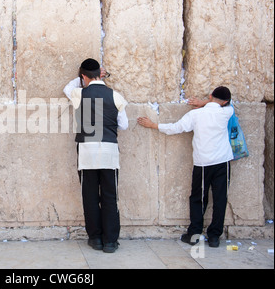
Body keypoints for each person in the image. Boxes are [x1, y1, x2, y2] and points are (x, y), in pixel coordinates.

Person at [137, 86, 233, 248]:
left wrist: (153, 125)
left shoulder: (195, 114)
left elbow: (176, 128)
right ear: (225, 102)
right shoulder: (226, 112)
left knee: (198, 199)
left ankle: (194, 234)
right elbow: (224, 105)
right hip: (223, 161)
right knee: (220, 198)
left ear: (210, 96)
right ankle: (214, 237)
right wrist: (205, 102)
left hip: (203, 163)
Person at [63, 58, 128, 253]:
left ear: (83, 76)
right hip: (109, 151)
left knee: (90, 196)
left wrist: (82, 77)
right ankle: (110, 241)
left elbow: (68, 87)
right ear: (101, 74)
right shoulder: (115, 96)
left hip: (86, 152)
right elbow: (123, 125)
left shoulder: (78, 93)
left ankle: (96, 238)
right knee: (110, 195)